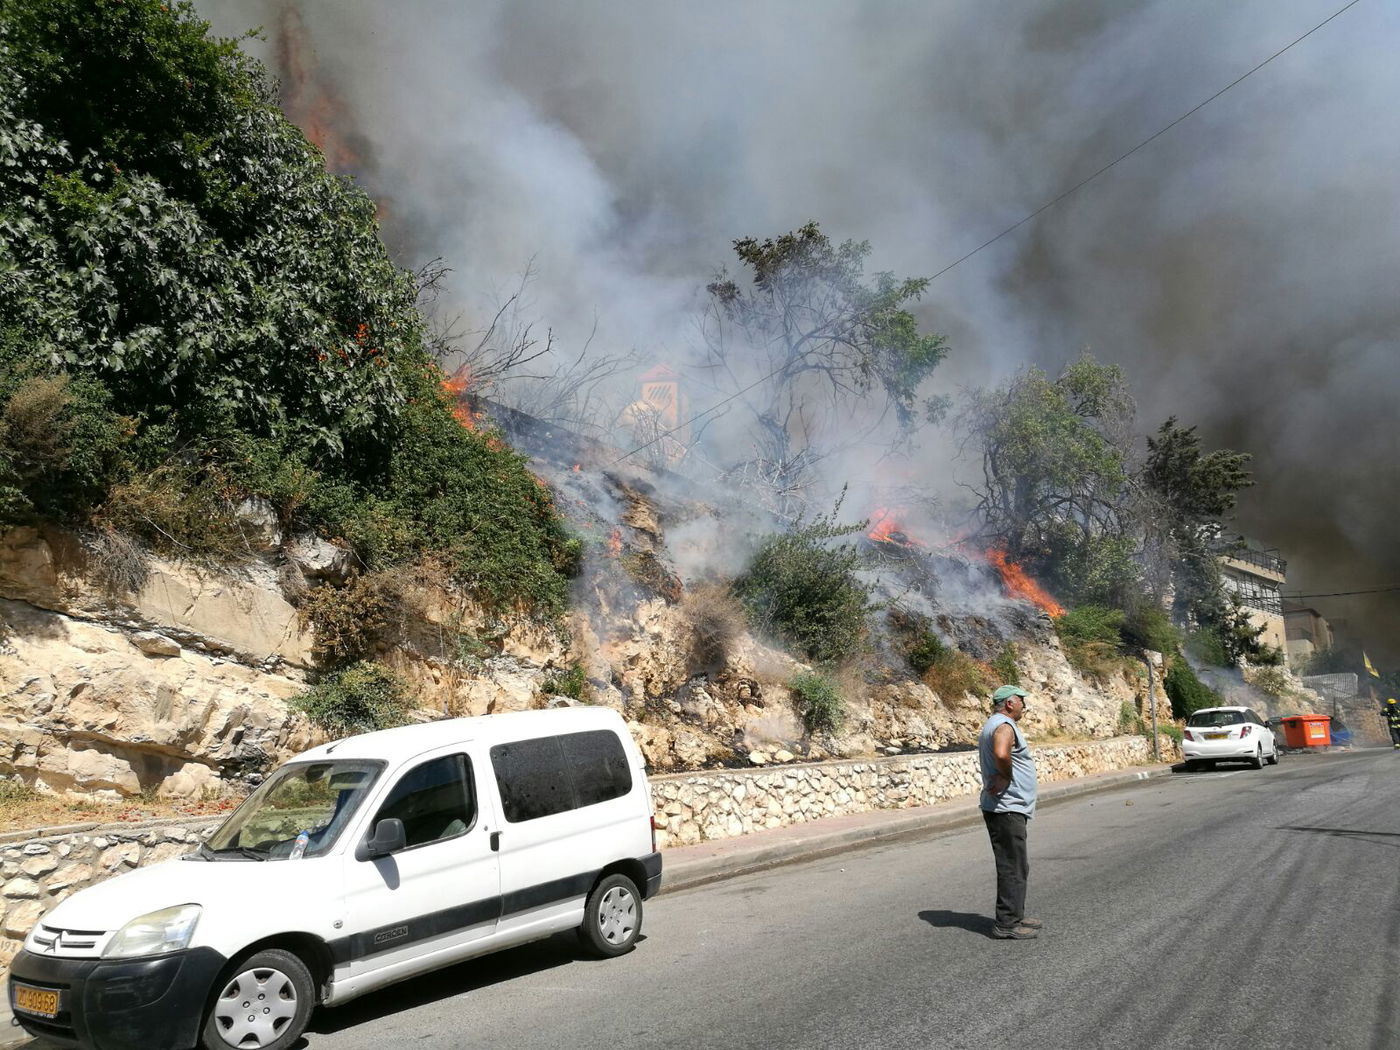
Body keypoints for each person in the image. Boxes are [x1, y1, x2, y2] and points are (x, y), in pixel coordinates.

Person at [979, 684, 1041, 940]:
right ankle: (1006, 924)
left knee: (1016, 864)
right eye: (1021, 701)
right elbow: (1002, 753)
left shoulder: (994, 723)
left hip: (1007, 807)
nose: (1024, 706)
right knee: (1011, 865)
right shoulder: (1004, 726)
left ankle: (1015, 914)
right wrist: (1006, 776)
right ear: (1010, 704)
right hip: (1006, 807)